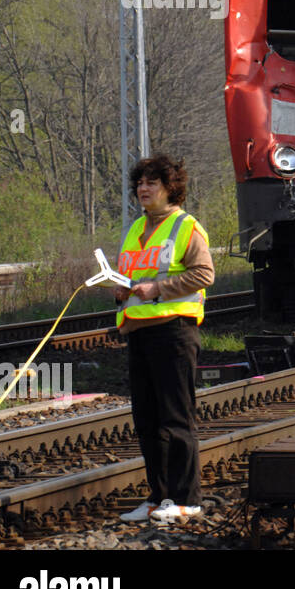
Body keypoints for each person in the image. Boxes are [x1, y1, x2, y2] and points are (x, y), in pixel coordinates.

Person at [112, 154, 214, 524]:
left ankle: (187, 498)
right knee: (147, 421)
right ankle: (158, 497)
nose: (143, 188)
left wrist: (157, 288)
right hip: (138, 333)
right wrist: (122, 292)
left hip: (174, 332)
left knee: (176, 419)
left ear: (171, 188)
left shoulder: (186, 227)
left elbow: (204, 273)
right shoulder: (135, 227)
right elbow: (132, 275)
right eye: (140, 183)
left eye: (152, 183)